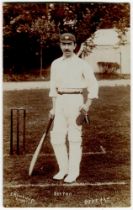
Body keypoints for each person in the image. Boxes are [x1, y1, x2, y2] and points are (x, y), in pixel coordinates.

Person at [49, 33, 99, 183]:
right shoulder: (55, 63)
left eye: (69, 44)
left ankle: (73, 172)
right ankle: (63, 169)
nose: (66, 47)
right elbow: (53, 87)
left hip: (75, 101)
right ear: (60, 46)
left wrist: (87, 104)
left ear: (74, 45)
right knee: (57, 138)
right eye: (63, 44)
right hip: (60, 102)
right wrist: (53, 108)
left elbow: (93, 85)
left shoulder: (82, 64)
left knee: (74, 138)